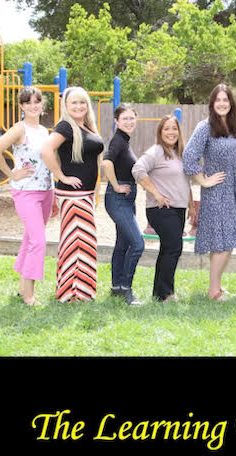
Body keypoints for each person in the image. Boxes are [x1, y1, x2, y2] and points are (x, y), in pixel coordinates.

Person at [0, 87, 55, 306]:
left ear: (42, 105)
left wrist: (54, 196)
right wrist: (12, 173)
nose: (33, 105)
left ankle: (21, 287)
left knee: (29, 239)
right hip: (25, 191)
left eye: (37, 101)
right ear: (22, 106)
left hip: (46, 191)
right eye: (28, 102)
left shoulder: (45, 131)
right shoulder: (19, 129)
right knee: (38, 241)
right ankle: (29, 296)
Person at [183, 84, 236, 301]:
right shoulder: (205, 127)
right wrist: (204, 180)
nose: (222, 103)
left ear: (231, 103)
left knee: (228, 241)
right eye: (218, 100)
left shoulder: (235, 129)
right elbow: (189, 156)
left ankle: (217, 286)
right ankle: (213, 291)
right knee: (221, 241)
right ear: (212, 104)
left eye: (226, 100)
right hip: (218, 192)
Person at [41, 86, 104, 303]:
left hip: (85, 194)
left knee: (83, 241)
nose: (78, 106)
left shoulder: (85, 127)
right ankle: (72, 293)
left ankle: (81, 290)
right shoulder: (66, 126)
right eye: (74, 103)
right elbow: (46, 150)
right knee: (77, 242)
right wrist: (61, 176)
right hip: (72, 195)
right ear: (66, 106)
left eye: (82, 102)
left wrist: (95, 192)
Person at [132, 115, 193, 302]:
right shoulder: (156, 151)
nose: (171, 132)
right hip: (160, 208)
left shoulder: (180, 153)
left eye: (174, 128)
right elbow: (137, 170)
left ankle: (160, 293)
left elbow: (184, 180)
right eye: (166, 129)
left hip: (179, 208)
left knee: (168, 248)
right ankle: (166, 293)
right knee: (174, 247)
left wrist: (191, 205)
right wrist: (156, 194)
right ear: (160, 132)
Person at [102, 103, 144, 305]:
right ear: (117, 121)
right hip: (118, 198)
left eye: (132, 118)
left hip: (126, 199)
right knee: (138, 243)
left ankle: (117, 286)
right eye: (124, 118)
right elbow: (107, 162)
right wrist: (116, 185)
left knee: (122, 244)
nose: (129, 122)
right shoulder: (118, 141)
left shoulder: (124, 141)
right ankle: (127, 289)